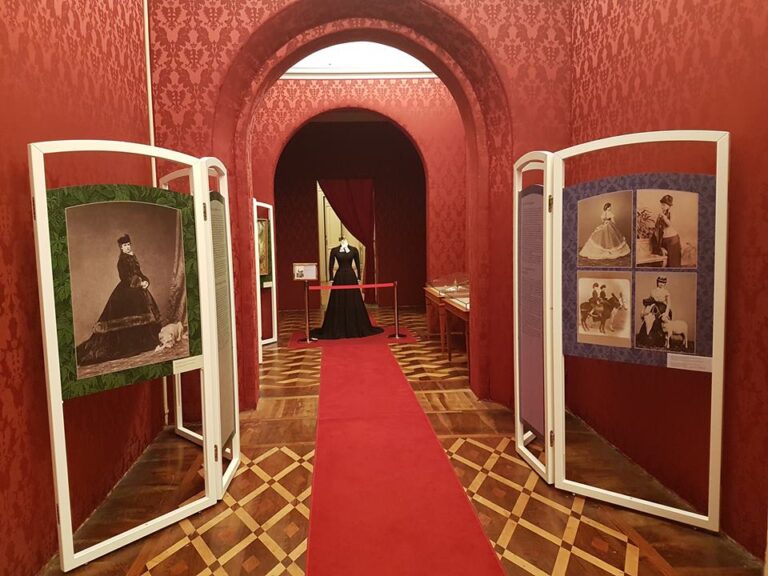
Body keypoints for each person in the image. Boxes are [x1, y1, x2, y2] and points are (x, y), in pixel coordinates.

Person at [76, 234, 162, 365]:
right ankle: (130, 345)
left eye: (128, 245)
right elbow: (125, 277)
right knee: (127, 316)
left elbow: (139, 273)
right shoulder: (122, 261)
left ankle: (143, 343)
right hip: (126, 291)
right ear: (121, 248)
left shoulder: (133, 257)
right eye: (124, 245)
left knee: (143, 313)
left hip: (138, 290)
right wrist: (139, 283)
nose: (127, 247)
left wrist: (146, 281)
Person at [310, 237, 384, 339]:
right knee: (338, 299)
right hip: (339, 277)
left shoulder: (354, 250)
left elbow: (357, 263)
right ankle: (338, 325)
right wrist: (331, 278)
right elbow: (330, 264)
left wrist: (359, 277)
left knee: (352, 299)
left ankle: (354, 324)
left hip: (350, 277)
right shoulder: (335, 250)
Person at [653, 194, 681, 267]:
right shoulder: (662, 213)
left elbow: (669, 224)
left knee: (673, 263)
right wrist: (658, 219)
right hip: (664, 240)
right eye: (661, 205)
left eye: (664, 205)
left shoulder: (672, 213)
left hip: (672, 240)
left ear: (669, 206)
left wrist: (663, 217)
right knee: (665, 262)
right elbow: (657, 226)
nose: (662, 206)